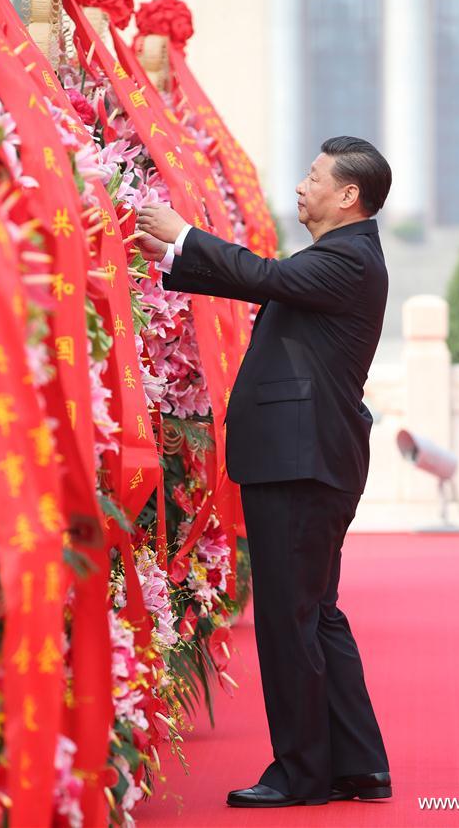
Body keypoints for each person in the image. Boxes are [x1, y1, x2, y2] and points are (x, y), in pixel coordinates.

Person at [137, 135, 392, 809]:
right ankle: (358, 764)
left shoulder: (350, 260)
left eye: (314, 177)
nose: (301, 186)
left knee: (290, 618)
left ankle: (301, 774)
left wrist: (184, 235)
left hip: (301, 460)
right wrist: (167, 257)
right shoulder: (342, 257)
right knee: (314, 614)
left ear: (348, 196)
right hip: (307, 457)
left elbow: (265, 278)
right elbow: (262, 279)